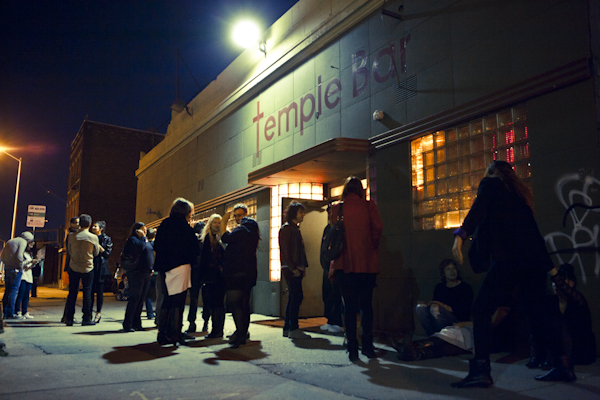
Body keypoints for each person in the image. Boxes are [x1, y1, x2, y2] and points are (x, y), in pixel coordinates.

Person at [451, 160, 575, 388]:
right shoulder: (519, 197)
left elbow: (477, 210)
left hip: (508, 261)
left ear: (492, 172)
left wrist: (460, 235)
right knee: (538, 313)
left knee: (480, 308)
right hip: (533, 264)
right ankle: (563, 364)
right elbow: (535, 236)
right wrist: (552, 269)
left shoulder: (490, 185)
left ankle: (480, 369)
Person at [329, 177, 383, 362]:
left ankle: (352, 348)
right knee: (366, 306)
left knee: (349, 307)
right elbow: (378, 228)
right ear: (360, 190)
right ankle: (367, 346)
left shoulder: (337, 208)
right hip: (366, 263)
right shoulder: (369, 206)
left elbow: (333, 233)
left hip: (344, 264)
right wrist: (370, 246)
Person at [528, 263, 596, 368]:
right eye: (554, 282)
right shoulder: (553, 301)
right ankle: (539, 357)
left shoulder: (577, 299)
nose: (556, 285)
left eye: (562, 280)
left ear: (572, 282)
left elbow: (574, 329)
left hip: (578, 349)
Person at [153, 198, 199, 345]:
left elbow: (157, 246)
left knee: (167, 300)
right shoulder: (185, 228)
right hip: (181, 267)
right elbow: (194, 250)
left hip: (164, 268)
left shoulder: (164, 224)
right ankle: (175, 333)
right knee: (178, 302)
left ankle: (163, 332)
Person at [221, 204, 260, 348]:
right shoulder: (251, 231)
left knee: (235, 303)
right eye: (236, 216)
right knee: (243, 304)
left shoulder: (244, 228)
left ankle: (240, 335)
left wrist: (224, 221)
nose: (238, 218)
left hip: (237, 273)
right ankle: (242, 332)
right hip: (248, 273)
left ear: (246, 214)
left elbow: (225, 238)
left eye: (240, 215)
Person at [416, 259, 473, 336]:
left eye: (454, 268)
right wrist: (425, 304)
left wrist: (441, 305)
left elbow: (464, 311)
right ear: (443, 273)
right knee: (420, 308)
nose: (452, 271)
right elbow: (433, 304)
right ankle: (432, 335)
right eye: (448, 269)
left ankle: (441, 337)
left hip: (457, 320)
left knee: (435, 308)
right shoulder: (440, 287)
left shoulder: (465, 287)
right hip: (439, 318)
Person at [279, 201, 311, 339]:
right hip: (291, 268)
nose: (303, 215)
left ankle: (288, 327)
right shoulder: (287, 229)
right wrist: (294, 268)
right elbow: (285, 251)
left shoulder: (293, 229)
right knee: (296, 296)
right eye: (300, 212)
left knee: (294, 296)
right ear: (294, 214)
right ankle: (293, 328)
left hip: (293, 267)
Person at [65, 214, 101, 326]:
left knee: (72, 293)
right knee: (87, 293)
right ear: (90, 224)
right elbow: (96, 253)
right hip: (87, 267)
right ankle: (86, 318)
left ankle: (69, 318)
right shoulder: (93, 237)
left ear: (79, 223)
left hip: (74, 266)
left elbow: (69, 251)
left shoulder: (71, 236)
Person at [122, 222, 152, 332]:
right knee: (135, 297)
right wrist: (143, 237)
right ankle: (128, 323)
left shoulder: (144, 240)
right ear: (137, 230)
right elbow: (141, 248)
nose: (145, 231)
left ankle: (137, 323)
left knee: (141, 299)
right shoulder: (133, 240)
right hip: (136, 272)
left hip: (146, 272)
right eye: (143, 229)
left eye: (146, 230)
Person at [199, 215, 226, 338]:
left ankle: (218, 329)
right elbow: (203, 260)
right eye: (215, 222)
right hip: (210, 276)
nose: (217, 224)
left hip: (220, 276)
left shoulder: (223, 237)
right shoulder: (206, 239)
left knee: (218, 303)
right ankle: (216, 329)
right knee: (213, 303)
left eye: (219, 222)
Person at [2, 232, 38, 319]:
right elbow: (19, 255)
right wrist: (20, 267)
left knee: (7, 290)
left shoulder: (10, 241)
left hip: (7, 268)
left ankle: (5, 312)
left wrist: (7, 264)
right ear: (28, 239)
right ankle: (11, 313)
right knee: (14, 291)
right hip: (16, 269)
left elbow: (2, 255)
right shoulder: (22, 242)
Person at [320, 206, 344, 334]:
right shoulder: (327, 229)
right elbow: (323, 248)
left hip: (335, 265)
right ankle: (330, 320)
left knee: (336, 295)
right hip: (326, 265)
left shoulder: (338, 228)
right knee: (327, 294)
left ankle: (337, 321)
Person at [90, 221, 113, 323]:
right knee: (89, 291)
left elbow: (107, 254)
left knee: (99, 292)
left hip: (101, 267)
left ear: (101, 229)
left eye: (95, 226)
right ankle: (88, 313)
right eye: (93, 226)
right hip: (90, 266)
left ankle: (98, 313)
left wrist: (98, 246)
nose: (93, 227)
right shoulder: (89, 236)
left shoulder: (106, 239)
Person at [186, 221, 206, 333]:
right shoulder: (206, 241)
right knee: (206, 299)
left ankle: (192, 322)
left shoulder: (192, 241)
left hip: (194, 272)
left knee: (193, 298)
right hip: (205, 272)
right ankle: (206, 322)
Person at [61, 217, 80, 323]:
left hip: (72, 264)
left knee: (73, 292)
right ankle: (68, 316)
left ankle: (66, 316)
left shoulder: (71, 234)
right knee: (73, 292)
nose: (78, 225)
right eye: (77, 223)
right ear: (72, 224)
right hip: (73, 264)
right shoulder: (72, 235)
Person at [14, 243, 37, 319]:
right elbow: (20, 264)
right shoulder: (21, 253)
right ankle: (17, 311)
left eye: (32, 245)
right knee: (20, 294)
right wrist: (29, 262)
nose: (31, 246)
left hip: (29, 277)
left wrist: (33, 264)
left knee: (26, 296)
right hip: (23, 276)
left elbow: (28, 267)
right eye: (30, 244)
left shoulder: (29, 254)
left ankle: (24, 312)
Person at [144, 228, 157, 321]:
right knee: (160, 294)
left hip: (148, 272)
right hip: (158, 272)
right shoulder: (157, 245)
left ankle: (150, 313)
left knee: (147, 294)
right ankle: (158, 311)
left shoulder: (145, 245)